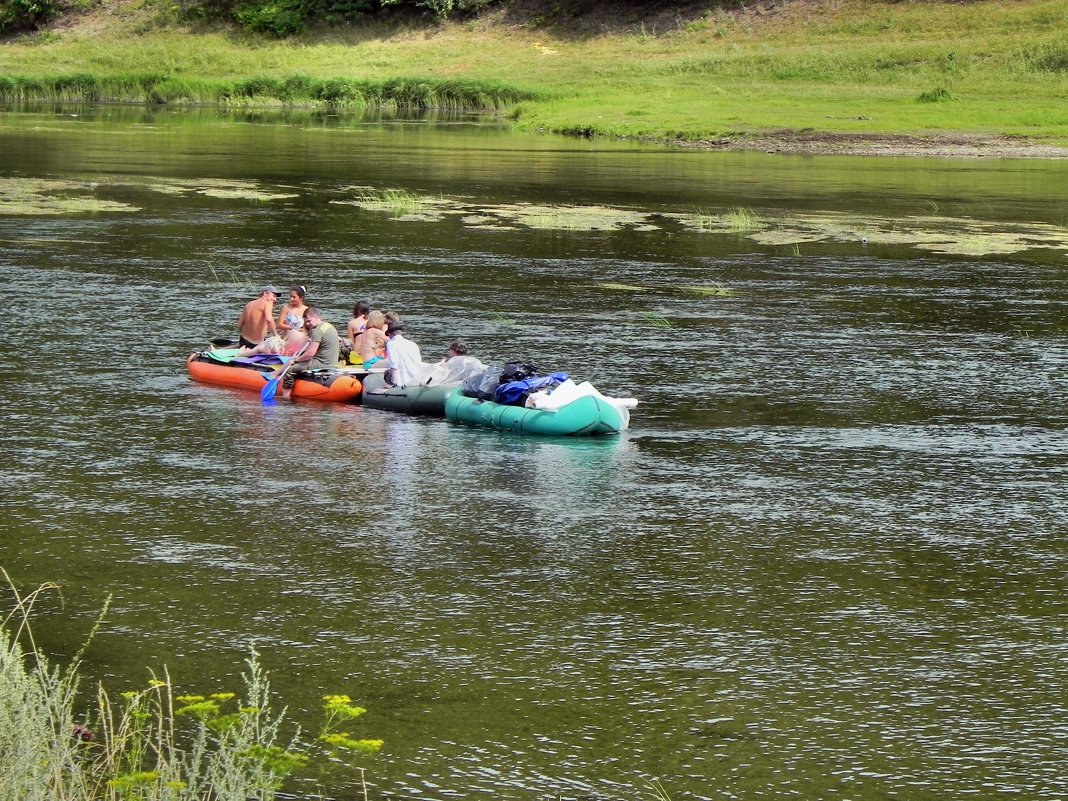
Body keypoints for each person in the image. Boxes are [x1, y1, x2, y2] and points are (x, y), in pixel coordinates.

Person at [281, 306, 340, 376]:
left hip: (322, 363)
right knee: (301, 355)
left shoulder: (317, 331)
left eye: (309, 321)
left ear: (316, 317)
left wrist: (296, 360)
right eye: (306, 322)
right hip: (332, 362)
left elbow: (311, 353)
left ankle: (287, 386)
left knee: (290, 369)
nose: (308, 324)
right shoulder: (329, 325)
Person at [383, 320, 423, 387]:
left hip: (404, 383)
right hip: (417, 381)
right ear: (401, 332)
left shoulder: (391, 344)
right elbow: (419, 364)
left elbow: (394, 365)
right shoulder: (413, 344)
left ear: (389, 334)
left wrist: (393, 384)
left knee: (387, 374)